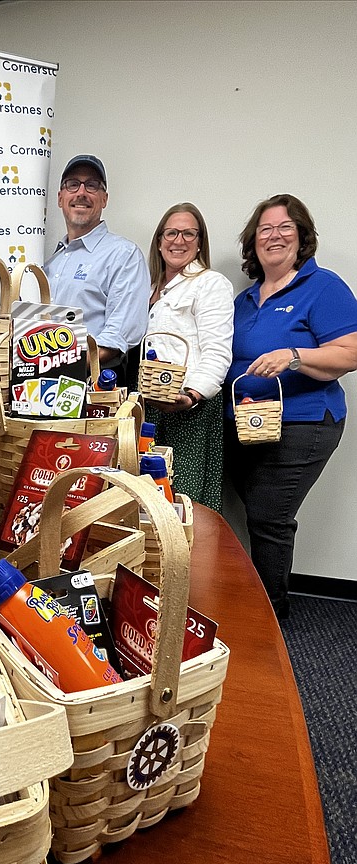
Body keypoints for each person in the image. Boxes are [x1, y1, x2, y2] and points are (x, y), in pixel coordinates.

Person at [223, 194, 357, 619]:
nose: (274, 236)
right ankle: (257, 604)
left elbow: (351, 353)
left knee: (268, 516)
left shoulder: (323, 286)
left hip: (303, 422)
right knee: (257, 515)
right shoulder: (244, 301)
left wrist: (295, 355)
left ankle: (269, 619)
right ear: (253, 241)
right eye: (265, 229)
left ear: (301, 237)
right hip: (246, 423)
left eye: (285, 227)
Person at [141, 203, 234, 512]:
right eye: (171, 232)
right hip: (150, 408)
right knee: (147, 500)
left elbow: (218, 351)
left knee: (185, 503)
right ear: (159, 240)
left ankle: (191, 562)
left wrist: (192, 395)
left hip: (189, 409)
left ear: (199, 242)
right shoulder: (150, 289)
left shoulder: (210, 284)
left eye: (188, 233)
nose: (178, 240)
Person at [43, 155, 150, 384]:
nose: (81, 192)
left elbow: (116, 339)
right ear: (60, 198)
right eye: (73, 184)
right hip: (39, 383)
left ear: (104, 199)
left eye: (91, 185)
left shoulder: (124, 255)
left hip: (93, 385)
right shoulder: (50, 264)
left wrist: (53, 366)